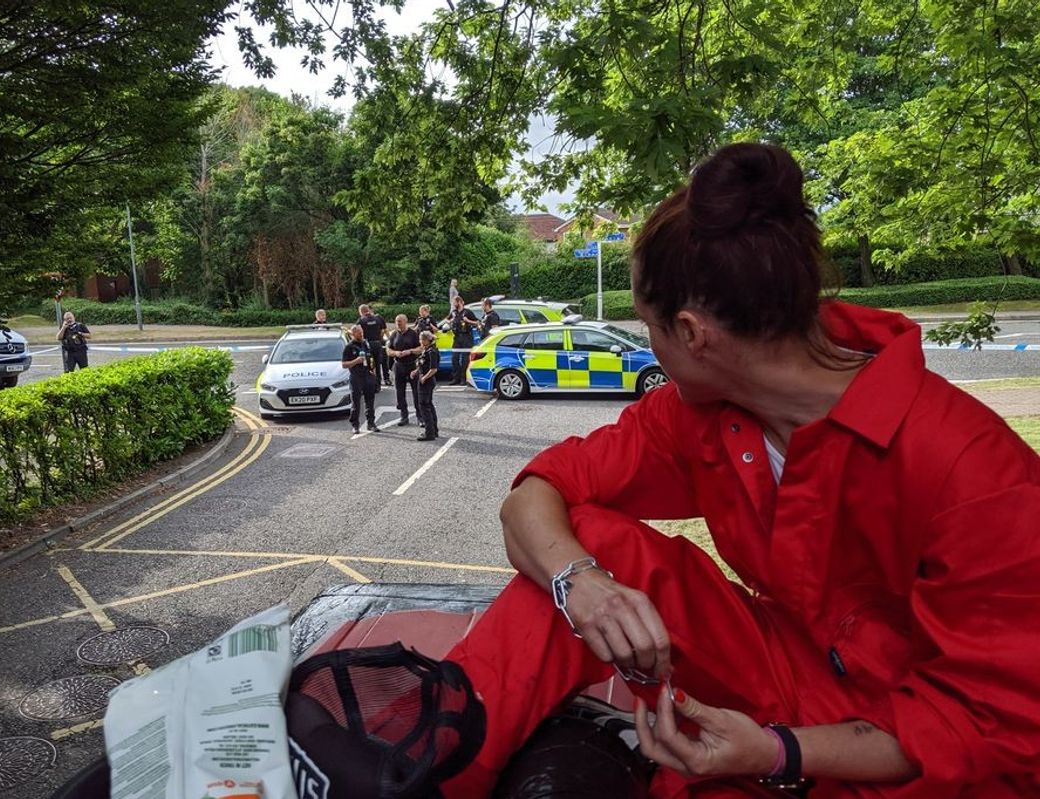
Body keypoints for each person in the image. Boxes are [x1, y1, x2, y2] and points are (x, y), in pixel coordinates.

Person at [441, 143, 1040, 798]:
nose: (650, 349)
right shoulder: (701, 413)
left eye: (649, 329)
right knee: (582, 540)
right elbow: (537, 494)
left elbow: (989, 732)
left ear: (693, 334)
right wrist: (581, 586)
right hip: (789, 673)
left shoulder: (975, 474)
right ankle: (430, 760)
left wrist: (779, 751)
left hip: (912, 753)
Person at [341, 324, 379, 434]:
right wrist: (355, 361)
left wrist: (373, 372)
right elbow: (344, 364)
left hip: (367, 375)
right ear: (353, 334)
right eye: (358, 332)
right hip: (356, 376)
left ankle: (371, 423)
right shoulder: (349, 347)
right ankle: (355, 425)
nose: (361, 334)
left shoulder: (365, 344)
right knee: (356, 403)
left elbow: (371, 358)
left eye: (361, 332)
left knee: (370, 401)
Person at [387, 314, 422, 427]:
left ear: (406, 321)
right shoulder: (394, 334)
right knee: (399, 392)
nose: (398, 323)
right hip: (399, 365)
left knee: (416, 392)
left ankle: (420, 417)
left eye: (400, 321)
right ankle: (404, 416)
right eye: (397, 321)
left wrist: (410, 351)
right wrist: (395, 353)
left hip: (411, 365)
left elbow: (421, 349)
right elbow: (388, 350)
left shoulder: (413, 334)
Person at [411, 330, 440, 441]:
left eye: (422, 339)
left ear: (427, 340)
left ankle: (429, 433)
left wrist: (424, 377)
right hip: (424, 379)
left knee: (424, 405)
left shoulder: (432, 351)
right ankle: (434, 430)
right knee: (428, 404)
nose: (420, 341)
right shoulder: (426, 350)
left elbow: (433, 369)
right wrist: (416, 371)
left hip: (427, 381)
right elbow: (423, 364)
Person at [444, 297, 479, 386]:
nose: (453, 304)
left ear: (459, 302)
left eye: (454, 302)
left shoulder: (467, 312)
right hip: (457, 337)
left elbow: (477, 322)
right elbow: (446, 320)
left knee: (465, 360)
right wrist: (450, 321)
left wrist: (468, 321)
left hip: (466, 337)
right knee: (454, 358)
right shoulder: (454, 312)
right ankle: (456, 378)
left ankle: (464, 379)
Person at [357, 303, 390, 388]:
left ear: (361, 312)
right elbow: (384, 330)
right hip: (378, 344)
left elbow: (357, 333)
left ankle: (370, 384)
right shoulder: (378, 318)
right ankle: (378, 384)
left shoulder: (361, 320)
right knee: (378, 365)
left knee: (368, 365)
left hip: (367, 345)